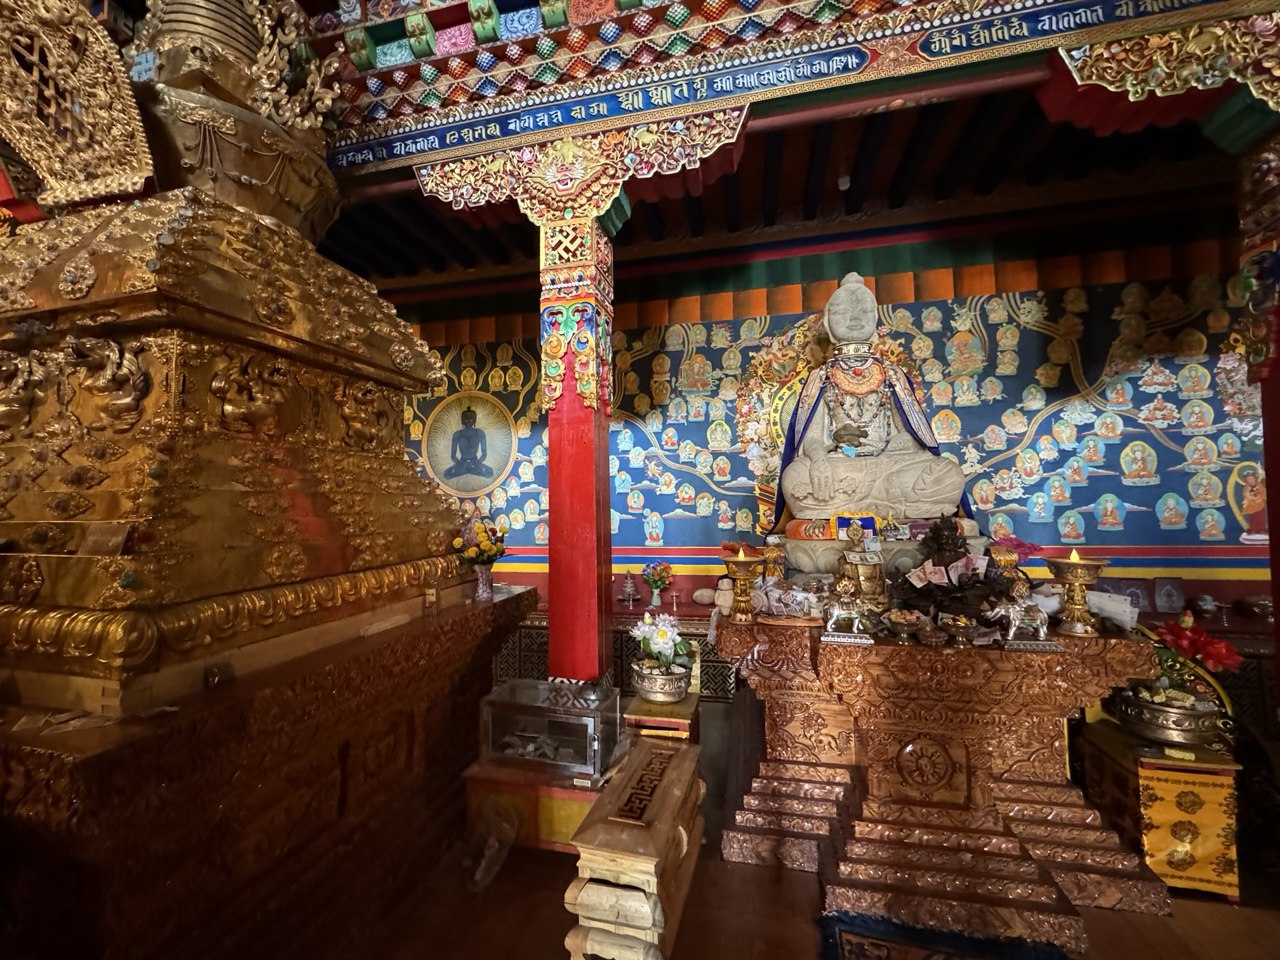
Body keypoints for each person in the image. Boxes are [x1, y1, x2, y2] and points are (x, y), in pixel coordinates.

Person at [443, 407, 493, 480]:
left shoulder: (480, 433)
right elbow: (453, 455)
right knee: (446, 474)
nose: (468, 422)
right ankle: (467, 470)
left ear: (474, 421)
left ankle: (468, 470)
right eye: (466, 420)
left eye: (471, 420)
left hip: (475, 463)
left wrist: (477, 463)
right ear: (462, 421)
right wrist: (460, 464)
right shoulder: (457, 434)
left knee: (490, 473)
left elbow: (484, 454)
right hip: (462, 463)